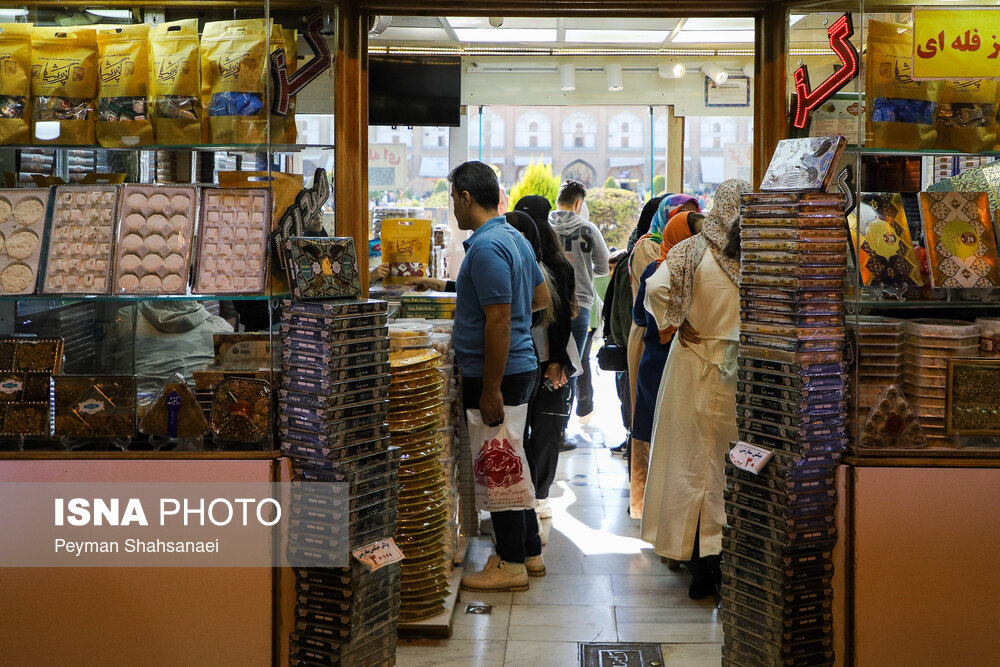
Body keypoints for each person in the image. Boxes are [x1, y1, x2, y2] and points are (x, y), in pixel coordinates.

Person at [640, 179, 751, 599]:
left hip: (691, 363)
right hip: (743, 370)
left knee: (688, 462)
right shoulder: (757, 251)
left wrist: (675, 319)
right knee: (731, 466)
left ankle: (693, 562)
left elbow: (654, 286)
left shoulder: (690, 249)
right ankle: (725, 561)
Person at [450, 162, 551, 592]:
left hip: (497, 373)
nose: (452, 206)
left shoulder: (488, 247)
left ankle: (510, 563)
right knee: (511, 454)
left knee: (498, 463)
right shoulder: (515, 237)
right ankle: (528, 550)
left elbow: (500, 322)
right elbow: (541, 297)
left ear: (467, 198)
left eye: (453, 197)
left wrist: (490, 386)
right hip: (517, 365)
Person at [628, 212, 704, 519]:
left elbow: (637, 315)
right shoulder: (704, 271)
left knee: (650, 435)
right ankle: (675, 516)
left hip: (654, 362)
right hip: (686, 365)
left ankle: (647, 509)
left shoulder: (654, 269)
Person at [514, 195, 577, 521]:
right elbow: (568, 317)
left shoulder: (543, 262)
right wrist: (557, 362)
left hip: (531, 358)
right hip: (547, 358)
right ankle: (538, 495)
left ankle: (527, 495)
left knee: (523, 429)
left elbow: (562, 316)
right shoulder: (558, 261)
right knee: (547, 430)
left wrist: (554, 362)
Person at [549, 180, 610, 430]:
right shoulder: (588, 229)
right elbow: (604, 267)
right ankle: (563, 426)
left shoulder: (544, 227)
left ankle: (549, 423)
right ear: (578, 203)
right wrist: (582, 271)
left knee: (548, 361)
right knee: (572, 364)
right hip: (581, 304)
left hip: (547, 304)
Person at [117, 301, 234, 396]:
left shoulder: (124, 317)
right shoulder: (223, 328)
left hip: (136, 410)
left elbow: (109, 368)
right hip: (202, 413)